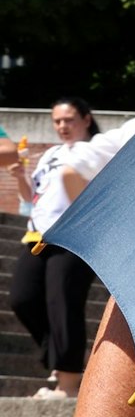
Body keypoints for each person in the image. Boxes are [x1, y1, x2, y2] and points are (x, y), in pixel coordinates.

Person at [4, 97, 105, 398]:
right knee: (22, 299)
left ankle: (68, 384)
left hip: (75, 235)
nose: (62, 126)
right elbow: (30, 197)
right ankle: (68, 360)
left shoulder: (99, 150)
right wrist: (20, 177)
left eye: (69, 119)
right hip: (38, 235)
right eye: (57, 121)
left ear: (86, 119)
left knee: (62, 303)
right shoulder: (50, 154)